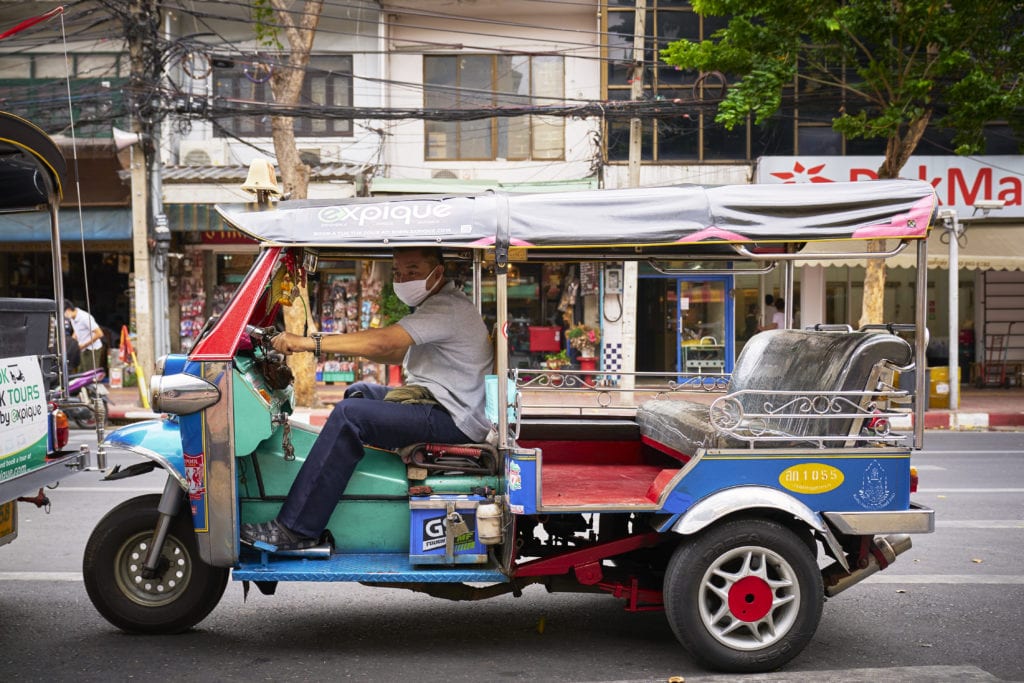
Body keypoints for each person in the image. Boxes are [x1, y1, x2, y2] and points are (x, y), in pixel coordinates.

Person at [241, 247, 494, 551]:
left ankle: (297, 529)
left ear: (437, 273)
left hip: (454, 419)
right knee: (358, 393)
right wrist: (327, 343)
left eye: (412, 271)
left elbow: (383, 341)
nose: (403, 279)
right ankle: (364, 489)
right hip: (437, 403)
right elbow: (388, 349)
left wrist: (309, 342)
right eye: (399, 273)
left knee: (350, 415)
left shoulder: (447, 308)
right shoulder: (437, 305)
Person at [64, 299, 104, 373]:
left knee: (90, 374)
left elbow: (99, 333)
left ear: (68, 310)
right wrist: (71, 344)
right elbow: (77, 331)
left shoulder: (84, 317)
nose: (64, 316)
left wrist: (84, 345)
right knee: (81, 372)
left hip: (92, 349)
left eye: (64, 314)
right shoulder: (72, 317)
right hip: (82, 348)